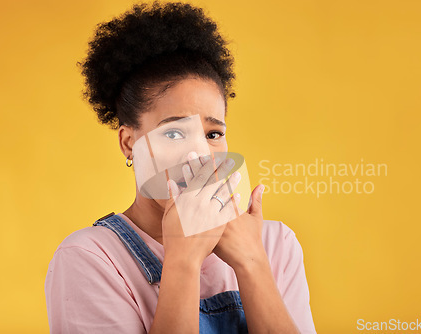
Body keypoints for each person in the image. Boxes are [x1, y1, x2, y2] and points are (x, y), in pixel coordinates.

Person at [44, 1, 316, 333]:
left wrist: (252, 262)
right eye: (174, 133)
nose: (199, 156)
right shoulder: (91, 258)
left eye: (213, 134)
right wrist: (182, 261)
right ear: (129, 143)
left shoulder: (276, 244)